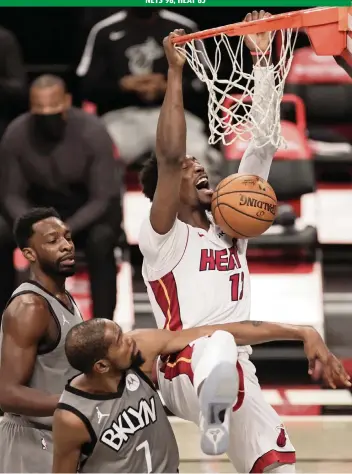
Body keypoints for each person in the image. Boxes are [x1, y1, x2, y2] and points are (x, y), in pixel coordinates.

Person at [138, 12, 352, 474]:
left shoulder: (230, 225)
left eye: (201, 164)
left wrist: (260, 62)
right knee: (215, 343)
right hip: (181, 367)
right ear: (166, 188)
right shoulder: (163, 237)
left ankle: (225, 414)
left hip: (237, 370)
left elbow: (262, 145)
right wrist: (174, 72)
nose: (199, 168)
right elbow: (169, 155)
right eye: (188, 167)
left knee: (278, 467)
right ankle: (213, 415)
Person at [52, 318, 347, 473]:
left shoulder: (139, 351)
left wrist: (300, 333)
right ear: (101, 365)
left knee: (218, 340)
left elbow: (219, 330)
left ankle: (213, 409)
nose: (129, 339)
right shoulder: (72, 417)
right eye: (119, 341)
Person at [0, 75, 123, 320]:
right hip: (37, 211)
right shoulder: (16, 134)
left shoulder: (93, 131)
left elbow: (102, 197)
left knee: (103, 239)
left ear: (67, 102)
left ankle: (102, 325)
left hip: (86, 213)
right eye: (41, 115)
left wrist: (63, 230)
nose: (48, 120)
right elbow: (11, 194)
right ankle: (6, 320)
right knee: (1, 232)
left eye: (53, 113)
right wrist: (34, 226)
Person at [76, 7, 222, 186]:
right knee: (102, 155)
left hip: (176, 114)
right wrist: (123, 85)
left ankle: (208, 212)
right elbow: (87, 86)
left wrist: (169, 86)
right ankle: (104, 212)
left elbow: (206, 82)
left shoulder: (183, 27)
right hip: (122, 117)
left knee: (198, 154)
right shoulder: (104, 30)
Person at [0, 207, 83, 473]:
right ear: (29, 254)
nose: (66, 246)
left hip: (58, 439)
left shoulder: (64, 298)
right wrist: (80, 401)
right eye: (52, 240)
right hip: (30, 445)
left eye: (67, 237)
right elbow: (6, 394)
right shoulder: (30, 307)